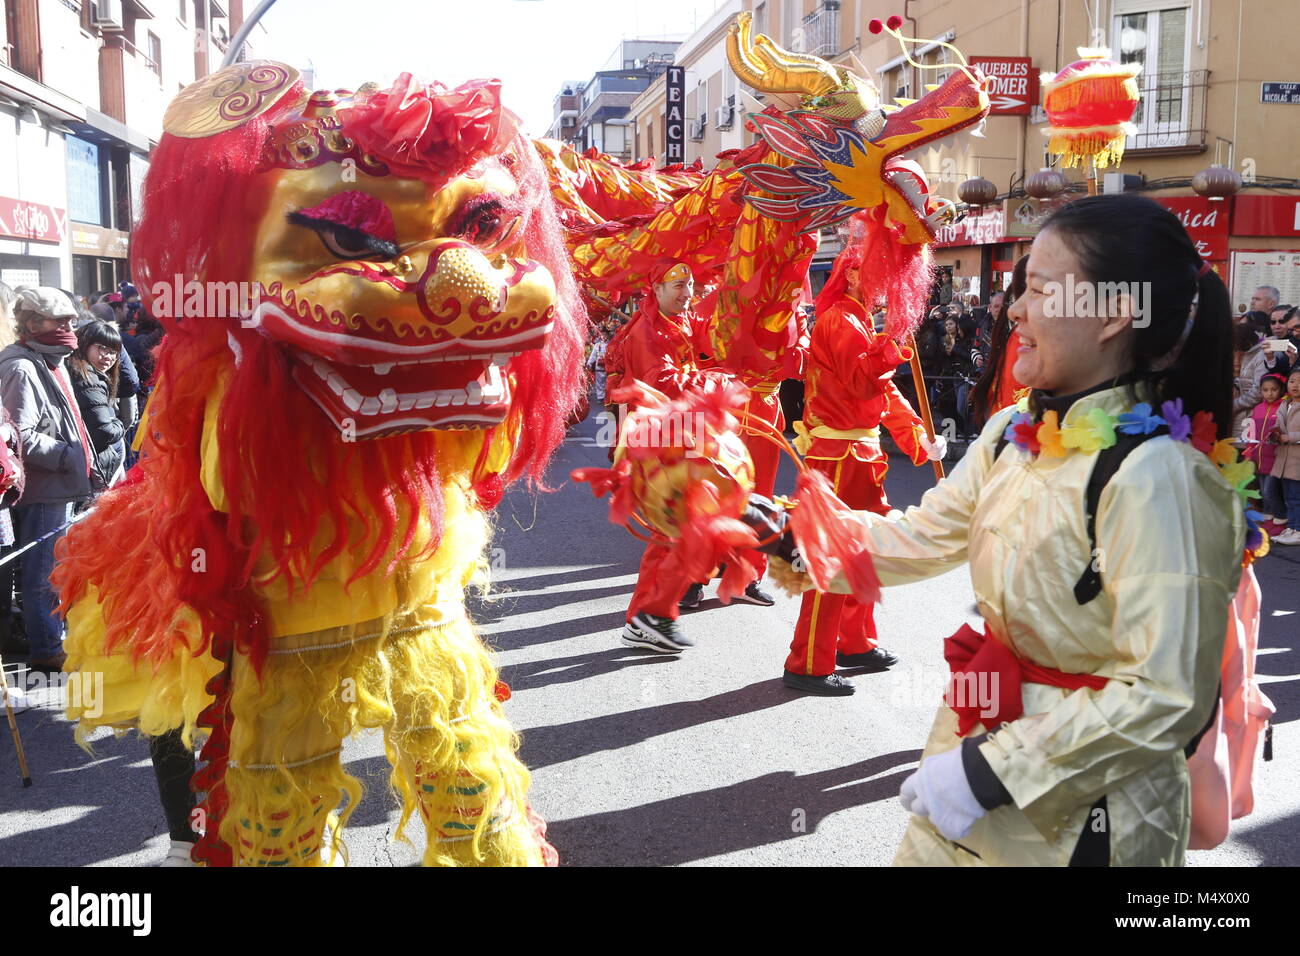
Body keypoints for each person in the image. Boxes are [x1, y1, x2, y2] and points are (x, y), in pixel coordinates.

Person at [762, 195, 1245, 865]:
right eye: (1019, 289)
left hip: (1085, 818)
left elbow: (1165, 695)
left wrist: (991, 773)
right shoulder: (1011, 433)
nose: (1014, 309)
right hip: (973, 758)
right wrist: (779, 534)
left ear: (1113, 314)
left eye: (1037, 290)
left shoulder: (1163, 477)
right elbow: (921, 537)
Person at [783, 248, 944, 696]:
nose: (884, 285)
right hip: (837, 460)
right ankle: (808, 662)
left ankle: (854, 641)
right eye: (877, 274)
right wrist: (896, 340)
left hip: (861, 457)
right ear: (853, 275)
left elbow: (882, 391)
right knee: (832, 561)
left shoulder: (856, 320)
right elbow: (862, 378)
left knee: (863, 555)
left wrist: (917, 438)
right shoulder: (838, 319)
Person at [617, 262, 740, 653]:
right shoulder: (646, 332)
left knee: (679, 531)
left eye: (690, 285)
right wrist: (715, 381)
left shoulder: (678, 323)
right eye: (678, 286)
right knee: (668, 532)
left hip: (683, 441)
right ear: (655, 289)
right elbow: (664, 384)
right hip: (660, 446)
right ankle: (645, 618)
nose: (687, 293)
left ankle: (653, 616)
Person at [0, 287, 95, 671]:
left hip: (60, 485)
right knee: (43, 573)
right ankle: (47, 649)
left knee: (53, 570)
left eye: (72, 321)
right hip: (45, 489)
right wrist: (67, 455)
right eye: (61, 321)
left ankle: (50, 640)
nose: (70, 328)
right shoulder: (22, 367)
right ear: (33, 323)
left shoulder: (48, 360)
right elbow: (17, 433)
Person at [68, 319, 127, 491]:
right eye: (102, 348)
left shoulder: (85, 372)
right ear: (85, 344)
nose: (108, 357)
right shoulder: (88, 378)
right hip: (91, 471)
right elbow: (104, 432)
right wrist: (120, 424)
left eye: (113, 352)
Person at [1245, 372, 1288, 533]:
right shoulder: (1257, 409)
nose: (1269, 393)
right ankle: (1269, 518)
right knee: (1263, 491)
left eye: (1273, 389)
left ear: (1280, 390)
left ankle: (1281, 518)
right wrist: (1249, 453)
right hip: (1259, 457)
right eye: (1265, 390)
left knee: (1271, 491)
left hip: (1276, 458)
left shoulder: (1283, 408)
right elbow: (1251, 432)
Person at [1269, 368, 1300, 545]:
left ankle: (1298, 529)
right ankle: (1292, 527)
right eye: (1292, 381)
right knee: (1288, 497)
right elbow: (1278, 424)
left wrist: (1290, 437)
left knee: (1296, 497)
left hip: (1296, 459)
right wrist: (1274, 433)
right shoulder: (1284, 404)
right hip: (1284, 459)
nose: (1295, 385)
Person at [1233, 323, 1269, 436]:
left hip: (1251, 415)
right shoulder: (1248, 354)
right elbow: (1244, 381)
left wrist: (1234, 405)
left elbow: (1258, 392)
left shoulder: (1261, 356)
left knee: (1245, 449)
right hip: (1242, 413)